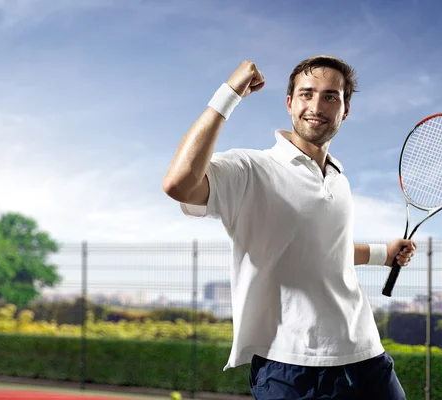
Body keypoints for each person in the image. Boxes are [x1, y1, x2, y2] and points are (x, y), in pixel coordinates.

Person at [162, 56, 417, 400]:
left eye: (330, 96)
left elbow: (324, 250)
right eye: (306, 94)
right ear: (289, 103)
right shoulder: (250, 168)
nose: (316, 105)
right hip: (289, 368)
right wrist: (229, 93)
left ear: (345, 110)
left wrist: (382, 254)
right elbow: (178, 184)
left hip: (366, 355)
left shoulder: (338, 177)